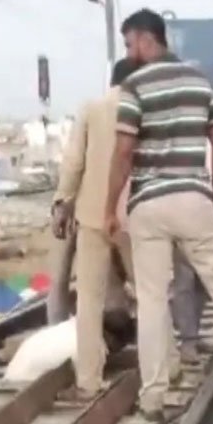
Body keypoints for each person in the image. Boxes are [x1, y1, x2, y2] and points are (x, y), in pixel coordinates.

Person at [104, 8, 213, 422]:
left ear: (147, 39)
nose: (130, 53)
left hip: (148, 204)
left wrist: (110, 206)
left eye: (130, 44)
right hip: (193, 199)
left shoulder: (132, 86)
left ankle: (154, 394)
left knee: (151, 298)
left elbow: (124, 152)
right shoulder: (202, 84)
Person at [51, 58, 140, 400]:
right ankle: (162, 369)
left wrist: (63, 202)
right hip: (134, 216)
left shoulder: (91, 108)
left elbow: (74, 161)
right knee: (151, 296)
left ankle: (88, 380)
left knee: (89, 300)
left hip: (92, 217)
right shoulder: (142, 112)